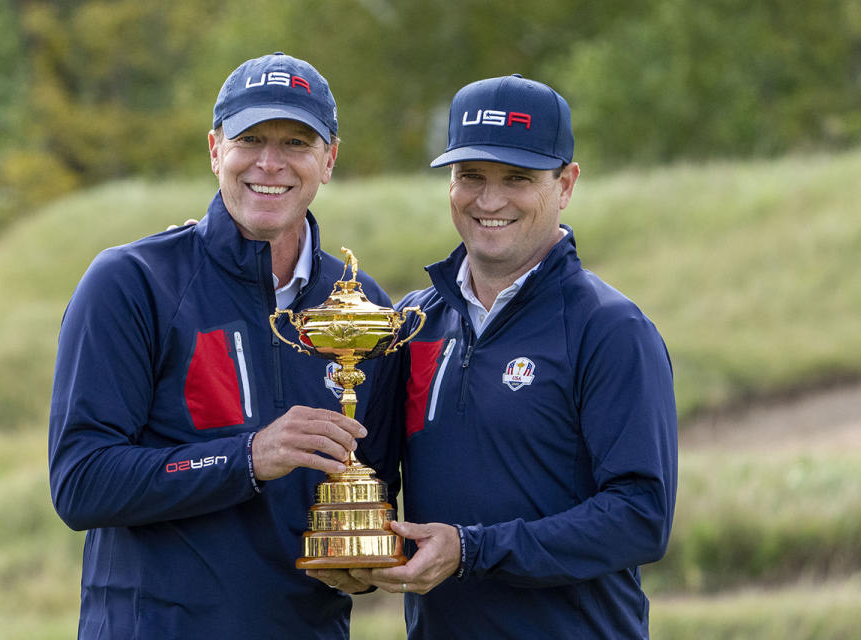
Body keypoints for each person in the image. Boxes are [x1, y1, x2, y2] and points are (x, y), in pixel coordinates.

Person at [314, 75, 679, 638]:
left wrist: (471, 549)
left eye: (518, 178)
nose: (489, 200)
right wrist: (357, 559)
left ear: (566, 183)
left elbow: (640, 518)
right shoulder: (412, 323)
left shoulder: (610, 328)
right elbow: (374, 480)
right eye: (470, 177)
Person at [48, 52, 392, 639]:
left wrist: (361, 568)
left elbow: (372, 487)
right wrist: (247, 457)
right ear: (215, 150)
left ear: (328, 159)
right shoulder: (132, 282)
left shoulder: (360, 306)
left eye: (296, 143)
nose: (270, 163)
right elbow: (82, 482)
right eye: (250, 138)